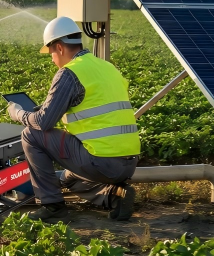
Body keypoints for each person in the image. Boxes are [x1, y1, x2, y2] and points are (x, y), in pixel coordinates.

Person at [7, 16, 140, 222]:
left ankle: (52, 207)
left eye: (50, 52)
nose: (51, 58)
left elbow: (43, 123)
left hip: (101, 161)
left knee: (30, 134)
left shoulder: (69, 73)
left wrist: (17, 113)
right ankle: (115, 195)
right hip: (129, 162)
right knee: (68, 178)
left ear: (59, 47)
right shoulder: (107, 67)